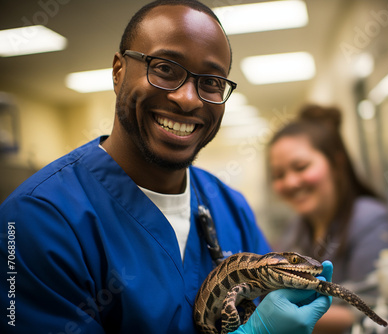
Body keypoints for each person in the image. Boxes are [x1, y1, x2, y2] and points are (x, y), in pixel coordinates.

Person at [0, 1, 332, 333]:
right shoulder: (35, 221)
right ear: (118, 71)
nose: (188, 98)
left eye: (212, 82)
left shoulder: (230, 207)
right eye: (165, 68)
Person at [269, 105, 388, 333]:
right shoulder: (297, 228)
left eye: (301, 167)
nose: (290, 182)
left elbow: (382, 311)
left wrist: (279, 313)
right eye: (279, 175)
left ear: (336, 163)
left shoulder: (371, 221)